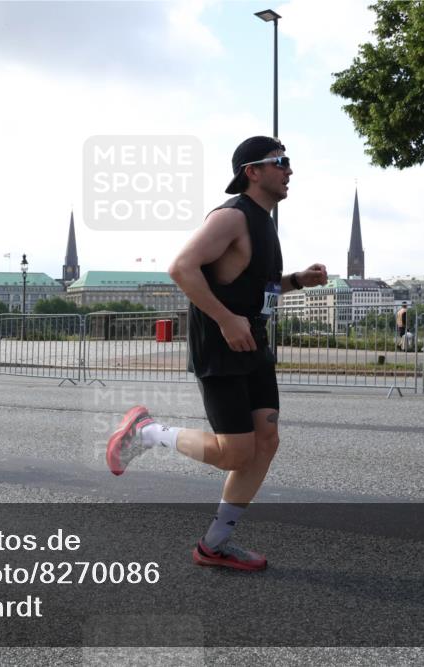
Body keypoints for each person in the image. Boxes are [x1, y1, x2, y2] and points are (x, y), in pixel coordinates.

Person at [106, 136, 327, 571]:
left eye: (289, 162)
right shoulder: (232, 216)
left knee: (267, 442)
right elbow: (181, 268)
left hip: (254, 345)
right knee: (234, 453)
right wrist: (226, 319)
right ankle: (147, 431)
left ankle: (214, 544)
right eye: (281, 162)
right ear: (253, 171)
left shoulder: (264, 222)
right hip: (224, 347)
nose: (290, 171)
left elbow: (255, 286)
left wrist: (297, 280)